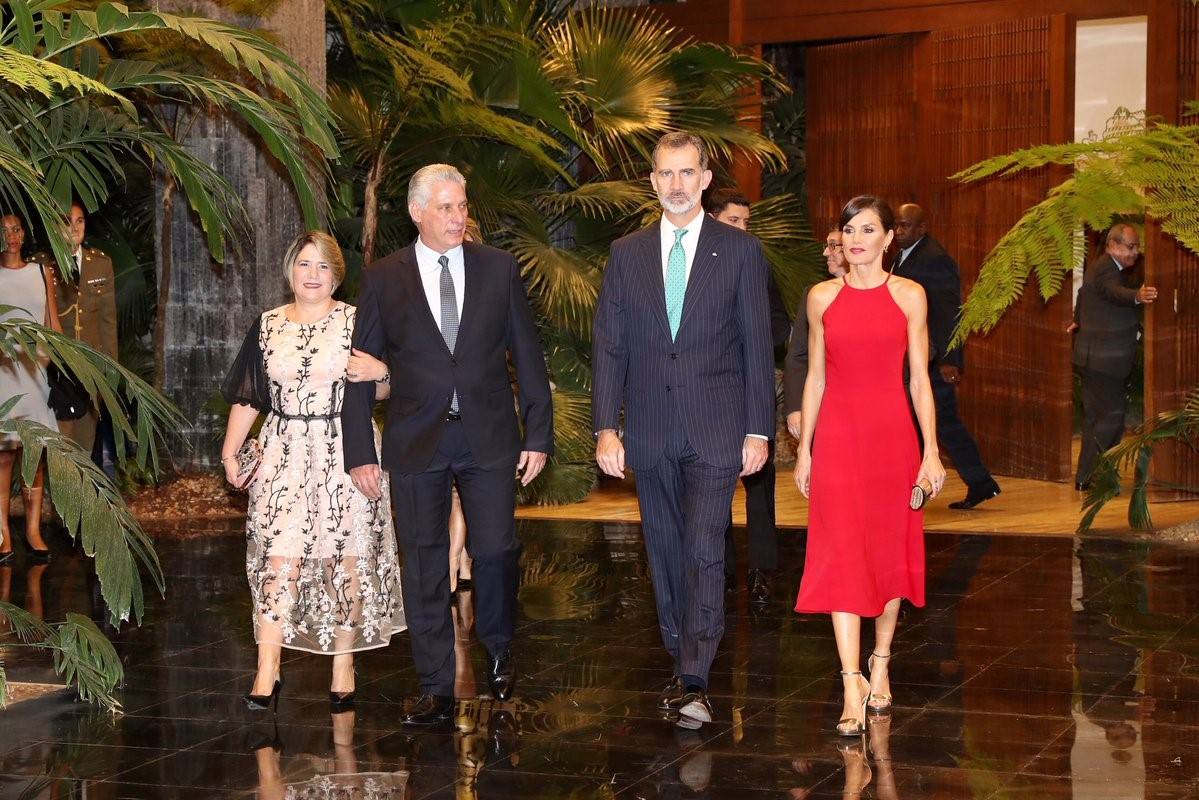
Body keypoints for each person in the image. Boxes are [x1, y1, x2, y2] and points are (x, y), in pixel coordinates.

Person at [342, 164, 553, 728]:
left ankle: (500, 651)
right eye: (446, 208)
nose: (458, 218)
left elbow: (527, 356)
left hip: (488, 436)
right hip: (417, 440)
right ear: (417, 212)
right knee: (426, 564)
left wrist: (538, 434)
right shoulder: (385, 278)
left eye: (462, 207)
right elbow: (359, 369)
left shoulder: (498, 269)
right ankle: (435, 683)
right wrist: (360, 449)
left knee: (496, 551)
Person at [593, 132, 775, 730]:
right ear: (653, 182)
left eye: (686, 173)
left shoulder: (740, 253)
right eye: (665, 174)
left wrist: (758, 429)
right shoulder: (627, 254)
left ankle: (696, 672)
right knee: (664, 548)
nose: (675, 184)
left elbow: (756, 347)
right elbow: (610, 349)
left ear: (703, 180)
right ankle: (680, 651)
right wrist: (605, 427)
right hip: (648, 428)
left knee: (704, 545)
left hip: (718, 428)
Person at [221, 231, 405, 712]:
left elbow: (383, 389)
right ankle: (267, 668)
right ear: (290, 270)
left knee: (345, 560)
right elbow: (249, 397)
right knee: (279, 560)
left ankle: (344, 663)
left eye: (323, 267)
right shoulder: (267, 325)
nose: (313, 275)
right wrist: (229, 453)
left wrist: (381, 373)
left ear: (336, 275)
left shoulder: (355, 321)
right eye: (304, 264)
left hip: (345, 450)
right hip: (282, 451)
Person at [794, 195, 945, 736]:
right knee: (839, 555)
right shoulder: (820, 298)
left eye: (867, 230)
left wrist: (930, 449)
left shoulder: (910, 296)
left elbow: (920, 380)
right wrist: (805, 448)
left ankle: (881, 660)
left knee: (885, 553)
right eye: (848, 230)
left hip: (892, 440)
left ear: (888, 239)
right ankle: (850, 680)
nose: (855, 240)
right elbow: (815, 378)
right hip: (837, 438)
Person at [705, 187, 790, 604]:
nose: (742, 230)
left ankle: (762, 570)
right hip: (708, 397)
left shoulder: (755, 262)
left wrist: (743, 339)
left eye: (746, 222)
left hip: (749, 390)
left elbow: (778, 326)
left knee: (760, 487)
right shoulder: (691, 266)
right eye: (733, 221)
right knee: (713, 486)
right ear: (712, 219)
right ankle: (719, 570)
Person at [893, 203, 1000, 510]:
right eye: (897, 226)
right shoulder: (901, 255)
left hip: (934, 361)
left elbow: (951, 314)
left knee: (946, 424)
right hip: (915, 359)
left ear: (922, 228)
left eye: (906, 226)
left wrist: (952, 360)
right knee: (936, 424)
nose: (900, 231)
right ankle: (978, 483)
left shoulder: (935, 260)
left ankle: (977, 482)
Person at [1072, 224, 1156, 490]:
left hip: (1094, 359)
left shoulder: (1099, 267)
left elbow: (1087, 295)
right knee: (1111, 418)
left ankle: (1088, 478)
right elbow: (1112, 292)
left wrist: (1078, 320)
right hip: (1105, 361)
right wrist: (1137, 296)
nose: (1135, 252)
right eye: (1131, 247)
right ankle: (1095, 477)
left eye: (1137, 246)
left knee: (1096, 419)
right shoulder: (1107, 268)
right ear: (1113, 246)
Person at [0, 213, 62, 563]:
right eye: (4, 231)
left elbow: (52, 323)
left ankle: (34, 529)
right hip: (3, 373)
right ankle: (3, 531)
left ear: (24, 234)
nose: (11, 236)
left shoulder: (41, 272)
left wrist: (69, 360)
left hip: (35, 373)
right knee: (5, 453)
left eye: (16, 229)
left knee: (33, 453)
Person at [45, 202, 119, 479]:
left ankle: (84, 502)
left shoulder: (100, 263)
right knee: (62, 439)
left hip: (91, 367)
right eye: (68, 222)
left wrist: (110, 368)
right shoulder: (44, 267)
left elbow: (108, 321)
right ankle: (63, 500)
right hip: (59, 368)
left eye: (80, 221)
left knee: (88, 439)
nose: (74, 228)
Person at [783, 226, 847, 440]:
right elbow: (798, 356)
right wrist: (795, 408)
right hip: (823, 404)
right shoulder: (814, 295)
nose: (825, 253)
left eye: (832, 246)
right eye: (825, 246)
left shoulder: (896, 291)